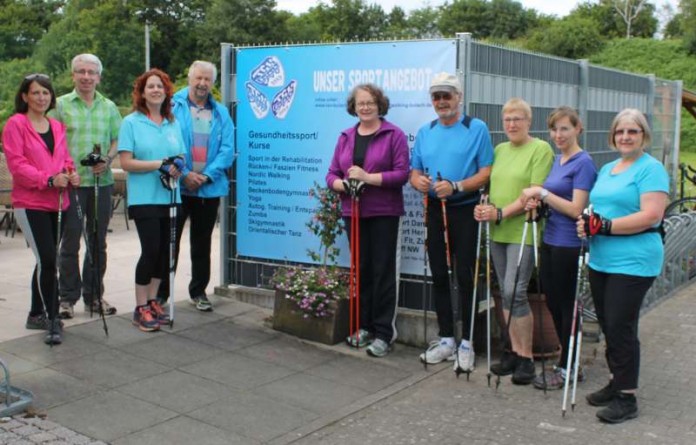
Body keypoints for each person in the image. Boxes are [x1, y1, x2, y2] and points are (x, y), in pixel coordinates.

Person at [577, 108, 668, 424]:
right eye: (620, 132)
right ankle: (617, 380)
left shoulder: (651, 170)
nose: (626, 137)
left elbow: (651, 215)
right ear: (613, 136)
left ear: (644, 136)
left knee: (620, 325)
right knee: (608, 323)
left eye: (633, 131)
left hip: (634, 260)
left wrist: (604, 226)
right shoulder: (608, 168)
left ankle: (627, 398)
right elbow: (597, 211)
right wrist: (587, 224)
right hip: (602, 259)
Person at [410, 72, 493, 372]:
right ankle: (446, 339)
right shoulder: (426, 131)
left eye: (447, 95)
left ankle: (467, 343)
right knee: (440, 274)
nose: (442, 101)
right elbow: (414, 171)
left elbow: (486, 172)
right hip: (434, 209)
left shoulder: (476, 128)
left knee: (465, 275)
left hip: (464, 209)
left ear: (459, 97)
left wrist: (457, 185)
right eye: (436, 96)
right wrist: (418, 181)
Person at [474, 97, 554, 385]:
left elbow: (533, 194)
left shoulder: (540, 149)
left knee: (515, 291)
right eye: (507, 119)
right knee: (506, 292)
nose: (512, 124)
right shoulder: (500, 149)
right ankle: (513, 350)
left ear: (528, 122)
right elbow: (495, 189)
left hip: (524, 231)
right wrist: (486, 208)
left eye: (517, 118)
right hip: (498, 232)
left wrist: (500, 213)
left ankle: (527, 358)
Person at [326, 83, 409, 358]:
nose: (365, 107)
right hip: (354, 212)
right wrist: (342, 185)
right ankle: (364, 326)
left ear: (379, 104)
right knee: (360, 270)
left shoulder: (393, 134)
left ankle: (384, 333)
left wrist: (367, 178)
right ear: (354, 106)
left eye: (370, 102)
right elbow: (331, 175)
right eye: (361, 103)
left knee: (382, 271)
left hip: (384, 212)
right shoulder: (346, 136)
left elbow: (401, 175)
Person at [518, 106, 597, 390]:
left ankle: (570, 366)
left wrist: (542, 193)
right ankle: (567, 361)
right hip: (550, 239)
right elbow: (551, 200)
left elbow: (577, 209)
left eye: (565, 128)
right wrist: (538, 205)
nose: (558, 134)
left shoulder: (583, 163)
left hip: (570, 244)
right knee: (553, 303)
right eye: (554, 129)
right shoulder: (557, 160)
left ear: (578, 129)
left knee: (566, 306)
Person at [2, 73, 80, 345]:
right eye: (35, 93)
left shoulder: (56, 126)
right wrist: (47, 180)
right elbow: (17, 164)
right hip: (31, 203)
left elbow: (65, 159)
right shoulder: (16, 124)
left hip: (59, 202)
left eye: (45, 93)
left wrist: (71, 174)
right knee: (48, 260)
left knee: (44, 260)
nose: (41, 97)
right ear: (24, 96)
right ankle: (52, 318)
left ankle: (36, 313)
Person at [155, 60, 235, 312]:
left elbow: (228, 149)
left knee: (202, 243)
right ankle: (161, 294)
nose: (202, 84)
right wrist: (186, 173)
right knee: (170, 242)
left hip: (208, 188)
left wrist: (208, 175)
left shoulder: (221, 112)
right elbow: (166, 143)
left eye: (207, 79)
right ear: (189, 79)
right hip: (177, 186)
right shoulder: (172, 106)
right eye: (198, 78)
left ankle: (198, 291)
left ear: (213, 82)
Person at [51, 53, 122, 319]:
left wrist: (108, 159)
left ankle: (94, 296)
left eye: (92, 72)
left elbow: (117, 139)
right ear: (73, 75)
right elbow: (51, 143)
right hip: (71, 184)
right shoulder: (60, 105)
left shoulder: (109, 107)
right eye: (81, 71)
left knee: (97, 241)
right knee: (70, 242)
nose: (86, 77)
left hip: (100, 183)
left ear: (99, 77)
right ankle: (67, 298)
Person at [118, 69, 186, 332]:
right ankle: (140, 307)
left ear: (166, 92)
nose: (156, 90)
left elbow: (179, 154)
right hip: (144, 198)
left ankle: (153, 300)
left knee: (163, 253)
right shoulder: (131, 123)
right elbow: (126, 162)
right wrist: (159, 164)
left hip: (170, 196)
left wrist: (178, 163)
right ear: (142, 92)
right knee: (150, 251)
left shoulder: (172, 122)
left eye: (160, 86)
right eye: (150, 87)